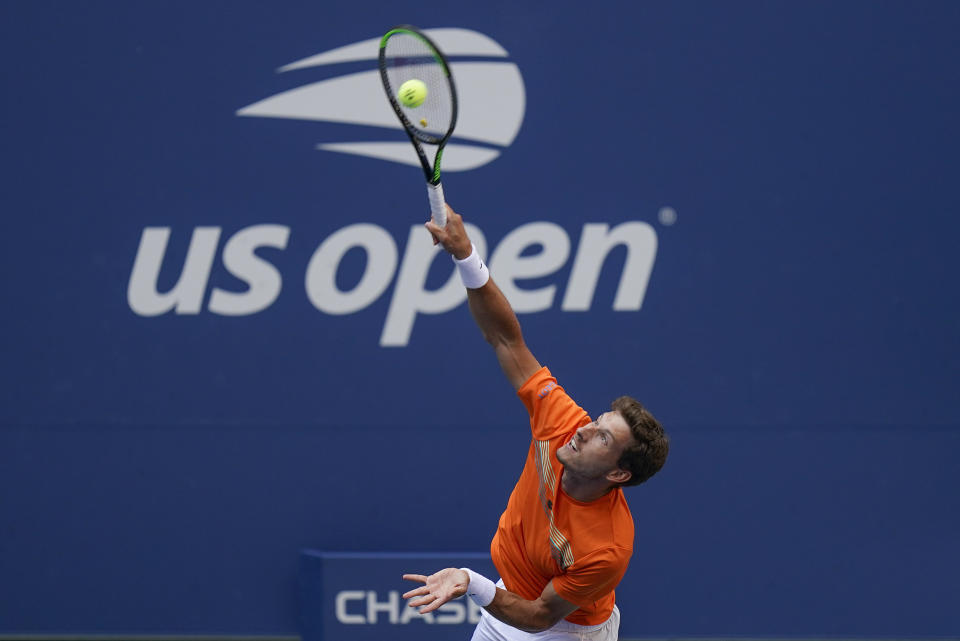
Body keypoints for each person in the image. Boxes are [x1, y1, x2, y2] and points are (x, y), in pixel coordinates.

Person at [402, 205, 670, 641]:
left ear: (618, 473)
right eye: (597, 420)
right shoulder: (562, 422)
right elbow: (506, 339)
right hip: (510, 601)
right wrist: (467, 256)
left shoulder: (607, 547)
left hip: (565, 631)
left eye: (602, 436)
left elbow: (542, 616)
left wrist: (471, 582)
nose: (584, 429)